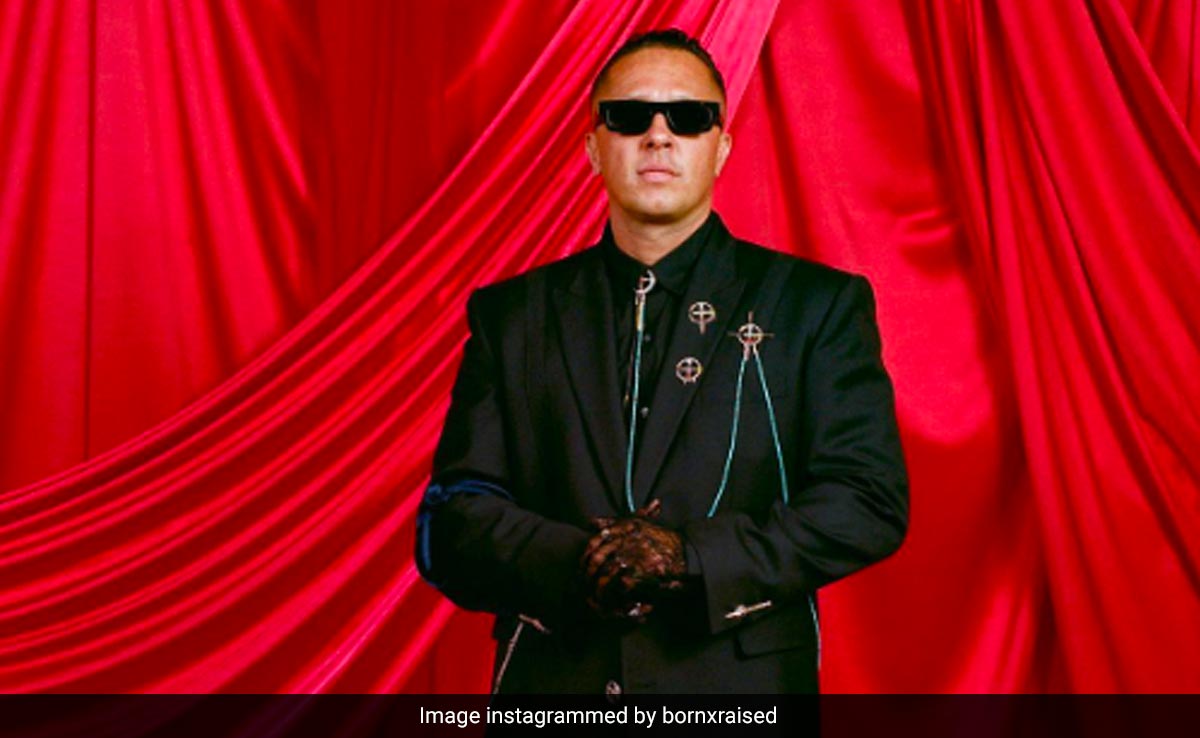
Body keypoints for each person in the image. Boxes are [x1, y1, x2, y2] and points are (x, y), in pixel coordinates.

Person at [416, 29, 907, 695]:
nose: (658, 135)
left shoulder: (814, 306)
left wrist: (691, 558)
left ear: (721, 147)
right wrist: (581, 562)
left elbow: (866, 501)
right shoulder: (512, 316)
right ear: (593, 148)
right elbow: (452, 520)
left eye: (688, 116)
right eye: (628, 116)